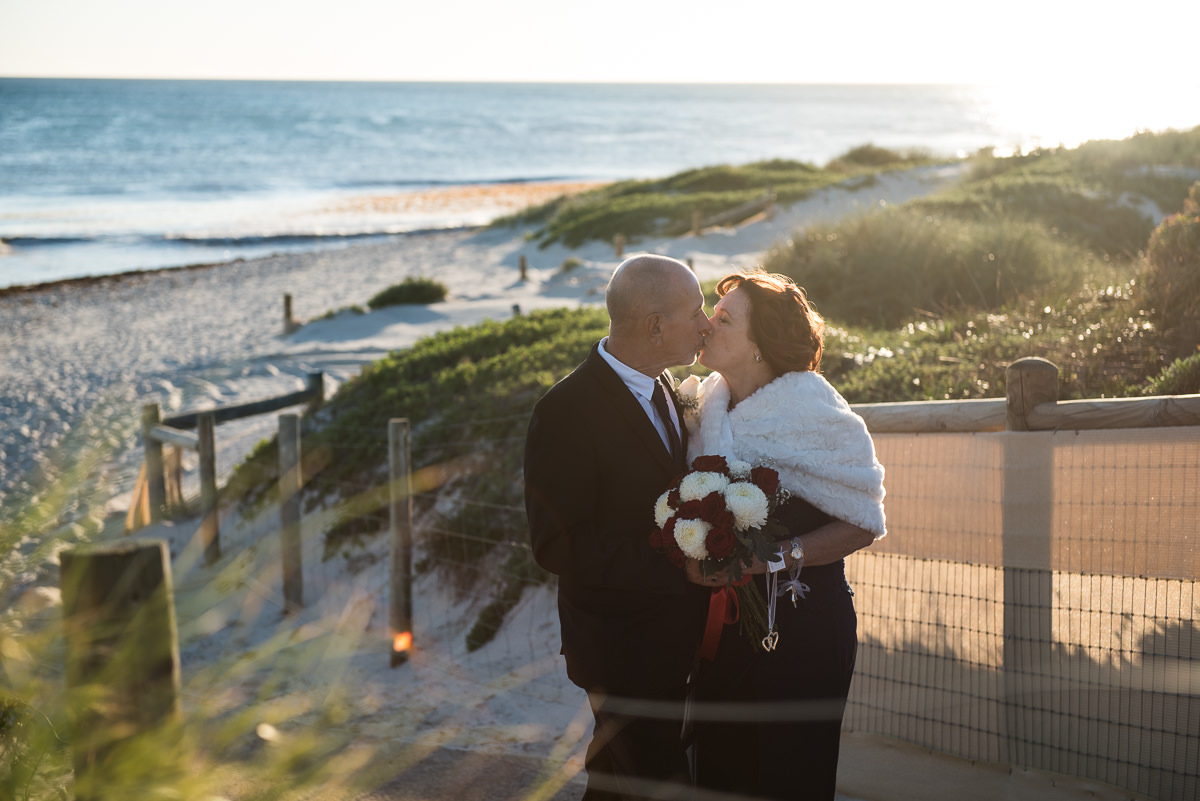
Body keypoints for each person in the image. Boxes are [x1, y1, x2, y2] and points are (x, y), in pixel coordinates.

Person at [681, 270, 886, 801]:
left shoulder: (815, 413)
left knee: (791, 781)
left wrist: (773, 558)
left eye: (723, 319)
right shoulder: (706, 407)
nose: (706, 323)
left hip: (805, 634)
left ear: (759, 346)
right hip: (722, 637)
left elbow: (864, 519)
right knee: (720, 778)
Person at [524, 254, 714, 800]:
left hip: (677, 636)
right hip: (620, 643)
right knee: (658, 780)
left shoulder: (671, 389)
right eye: (696, 310)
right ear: (655, 325)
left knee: (615, 780)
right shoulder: (566, 410)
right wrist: (680, 562)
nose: (705, 323)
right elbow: (557, 542)